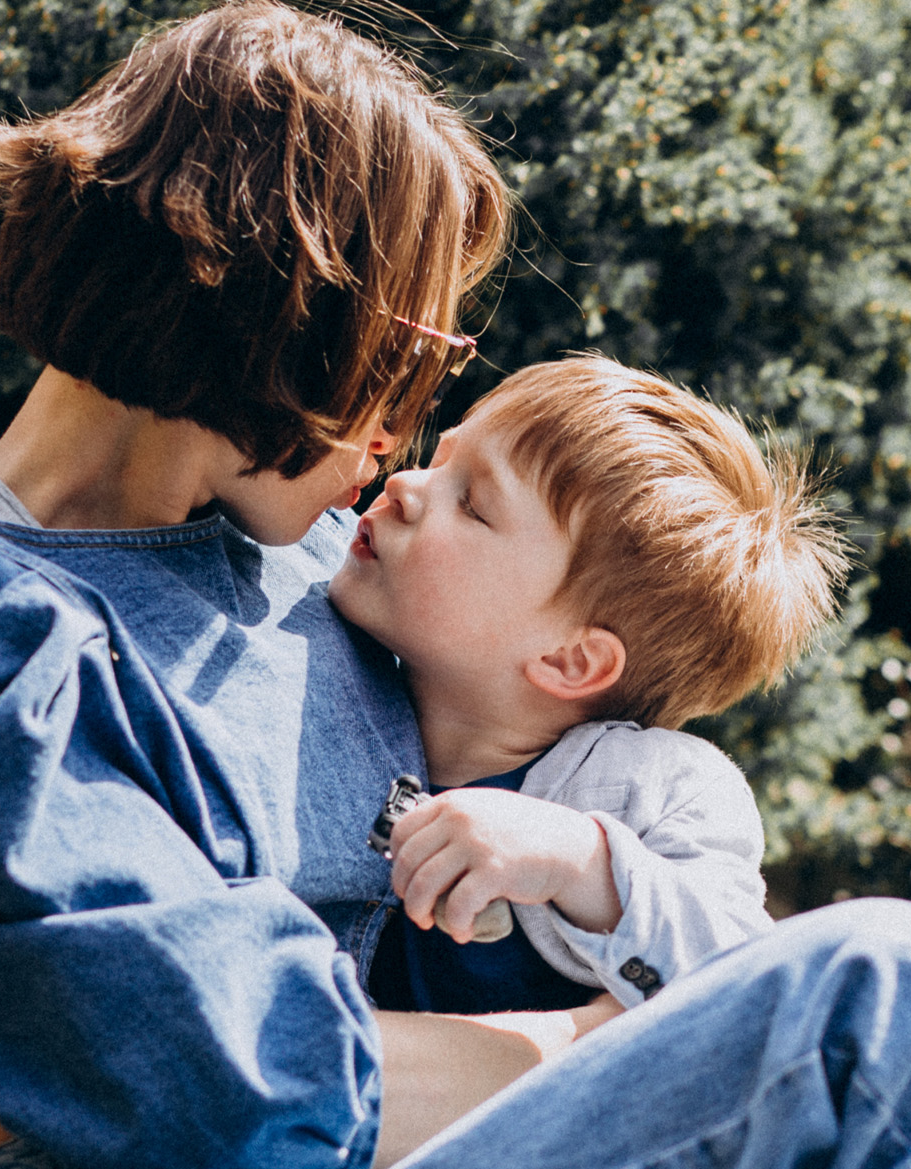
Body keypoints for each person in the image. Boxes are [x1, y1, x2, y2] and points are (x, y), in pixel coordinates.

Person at [0, 4, 911, 1169]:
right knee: (901, 994)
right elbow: (232, 1081)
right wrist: (624, 1042)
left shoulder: (320, 571)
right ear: (235, 274)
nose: (401, 452)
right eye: (420, 358)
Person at [331, 356, 845, 1016]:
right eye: (440, 459)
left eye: (472, 505)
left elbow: (746, 982)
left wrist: (580, 862)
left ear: (571, 661)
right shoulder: (340, 656)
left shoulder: (657, 788)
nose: (405, 484)